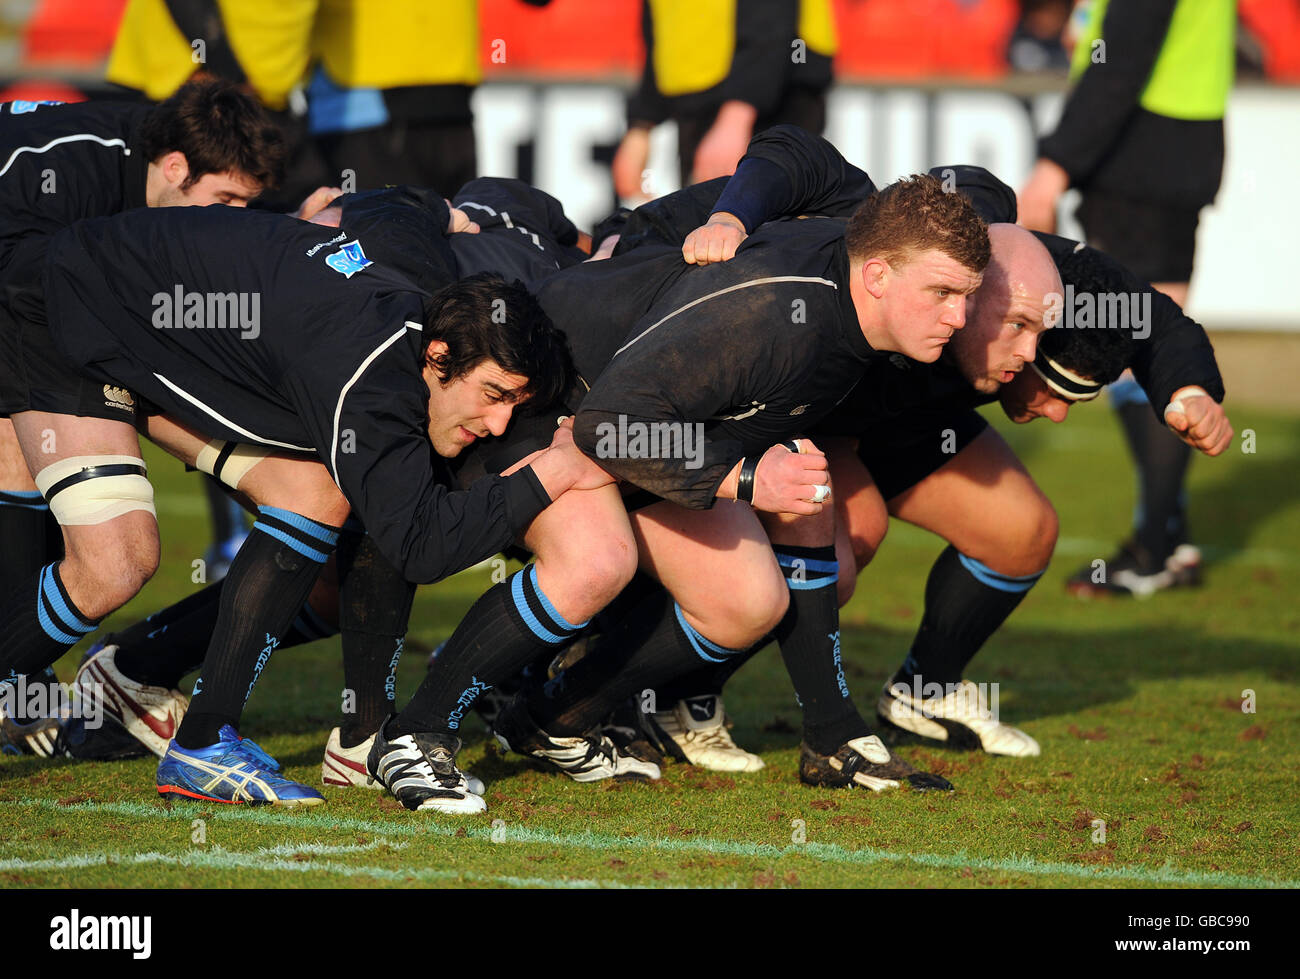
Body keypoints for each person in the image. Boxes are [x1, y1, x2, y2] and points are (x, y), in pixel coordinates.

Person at [364, 172, 988, 809]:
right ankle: (416, 733)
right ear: (878, 275)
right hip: (539, 409)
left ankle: (553, 714)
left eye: (967, 296)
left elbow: (800, 153)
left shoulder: (849, 285)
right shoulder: (771, 315)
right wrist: (743, 477)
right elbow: (608, 426)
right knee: (598, 559)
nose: (959, 316)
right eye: (941, 292)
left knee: (750, 598)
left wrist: (735, 215)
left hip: (643, 428)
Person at [0, 195, 608, 809]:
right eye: (494, 394)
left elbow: (396, 206)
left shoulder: (422, 286)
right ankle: (190, 731)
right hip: (58, 309)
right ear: (439, 357)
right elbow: (420, 548)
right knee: (114, 565)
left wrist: (446, 211)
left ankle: (206, 742)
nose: (501, 423)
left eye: (516, 404)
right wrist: (550, 472)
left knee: (316, 493)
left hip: (137, 314)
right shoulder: (371, 381)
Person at [648, 124, 1230, 763]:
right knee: (845, 540)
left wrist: (1190, 393)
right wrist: (706, 222)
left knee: (1022, 530)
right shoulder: (915, 272)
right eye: (1050, 388)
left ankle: (924, 690)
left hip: (915, 418)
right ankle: (673, 691)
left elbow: (1158, 321)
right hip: (814, 413)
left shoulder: (1052, 284)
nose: (1057, 416)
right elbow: (783, 162)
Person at [0, 79, 287, 756]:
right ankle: (19, 683)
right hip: (12, 278)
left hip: (28, 289)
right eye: (225, 201)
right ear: (175, 169)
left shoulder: (161, 175)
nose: (235, 220)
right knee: (111, 551)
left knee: (17, 453)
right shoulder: (65, 169)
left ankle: (21, 689)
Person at [1017, 0, 1235, 597]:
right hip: (1172, 144)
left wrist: (1053, 167)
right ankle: (1171, 538)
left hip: (1145, 147)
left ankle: (1155, 551)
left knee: (1140, 344)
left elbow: (1125, 57)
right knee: (1141, 339)